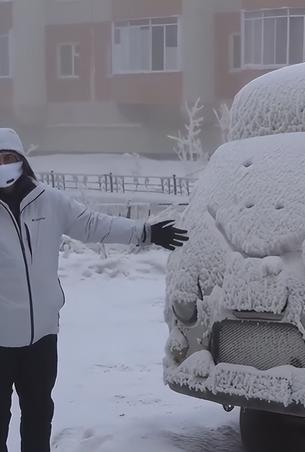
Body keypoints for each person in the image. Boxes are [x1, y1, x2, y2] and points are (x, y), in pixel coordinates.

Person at [0, 128, 188, 452]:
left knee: (38, 413)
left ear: (22, 162)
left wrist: (145, 232)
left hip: (42, 336)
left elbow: (94, 224)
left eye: (9, 158)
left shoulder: (49, 201)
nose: (4, 166)